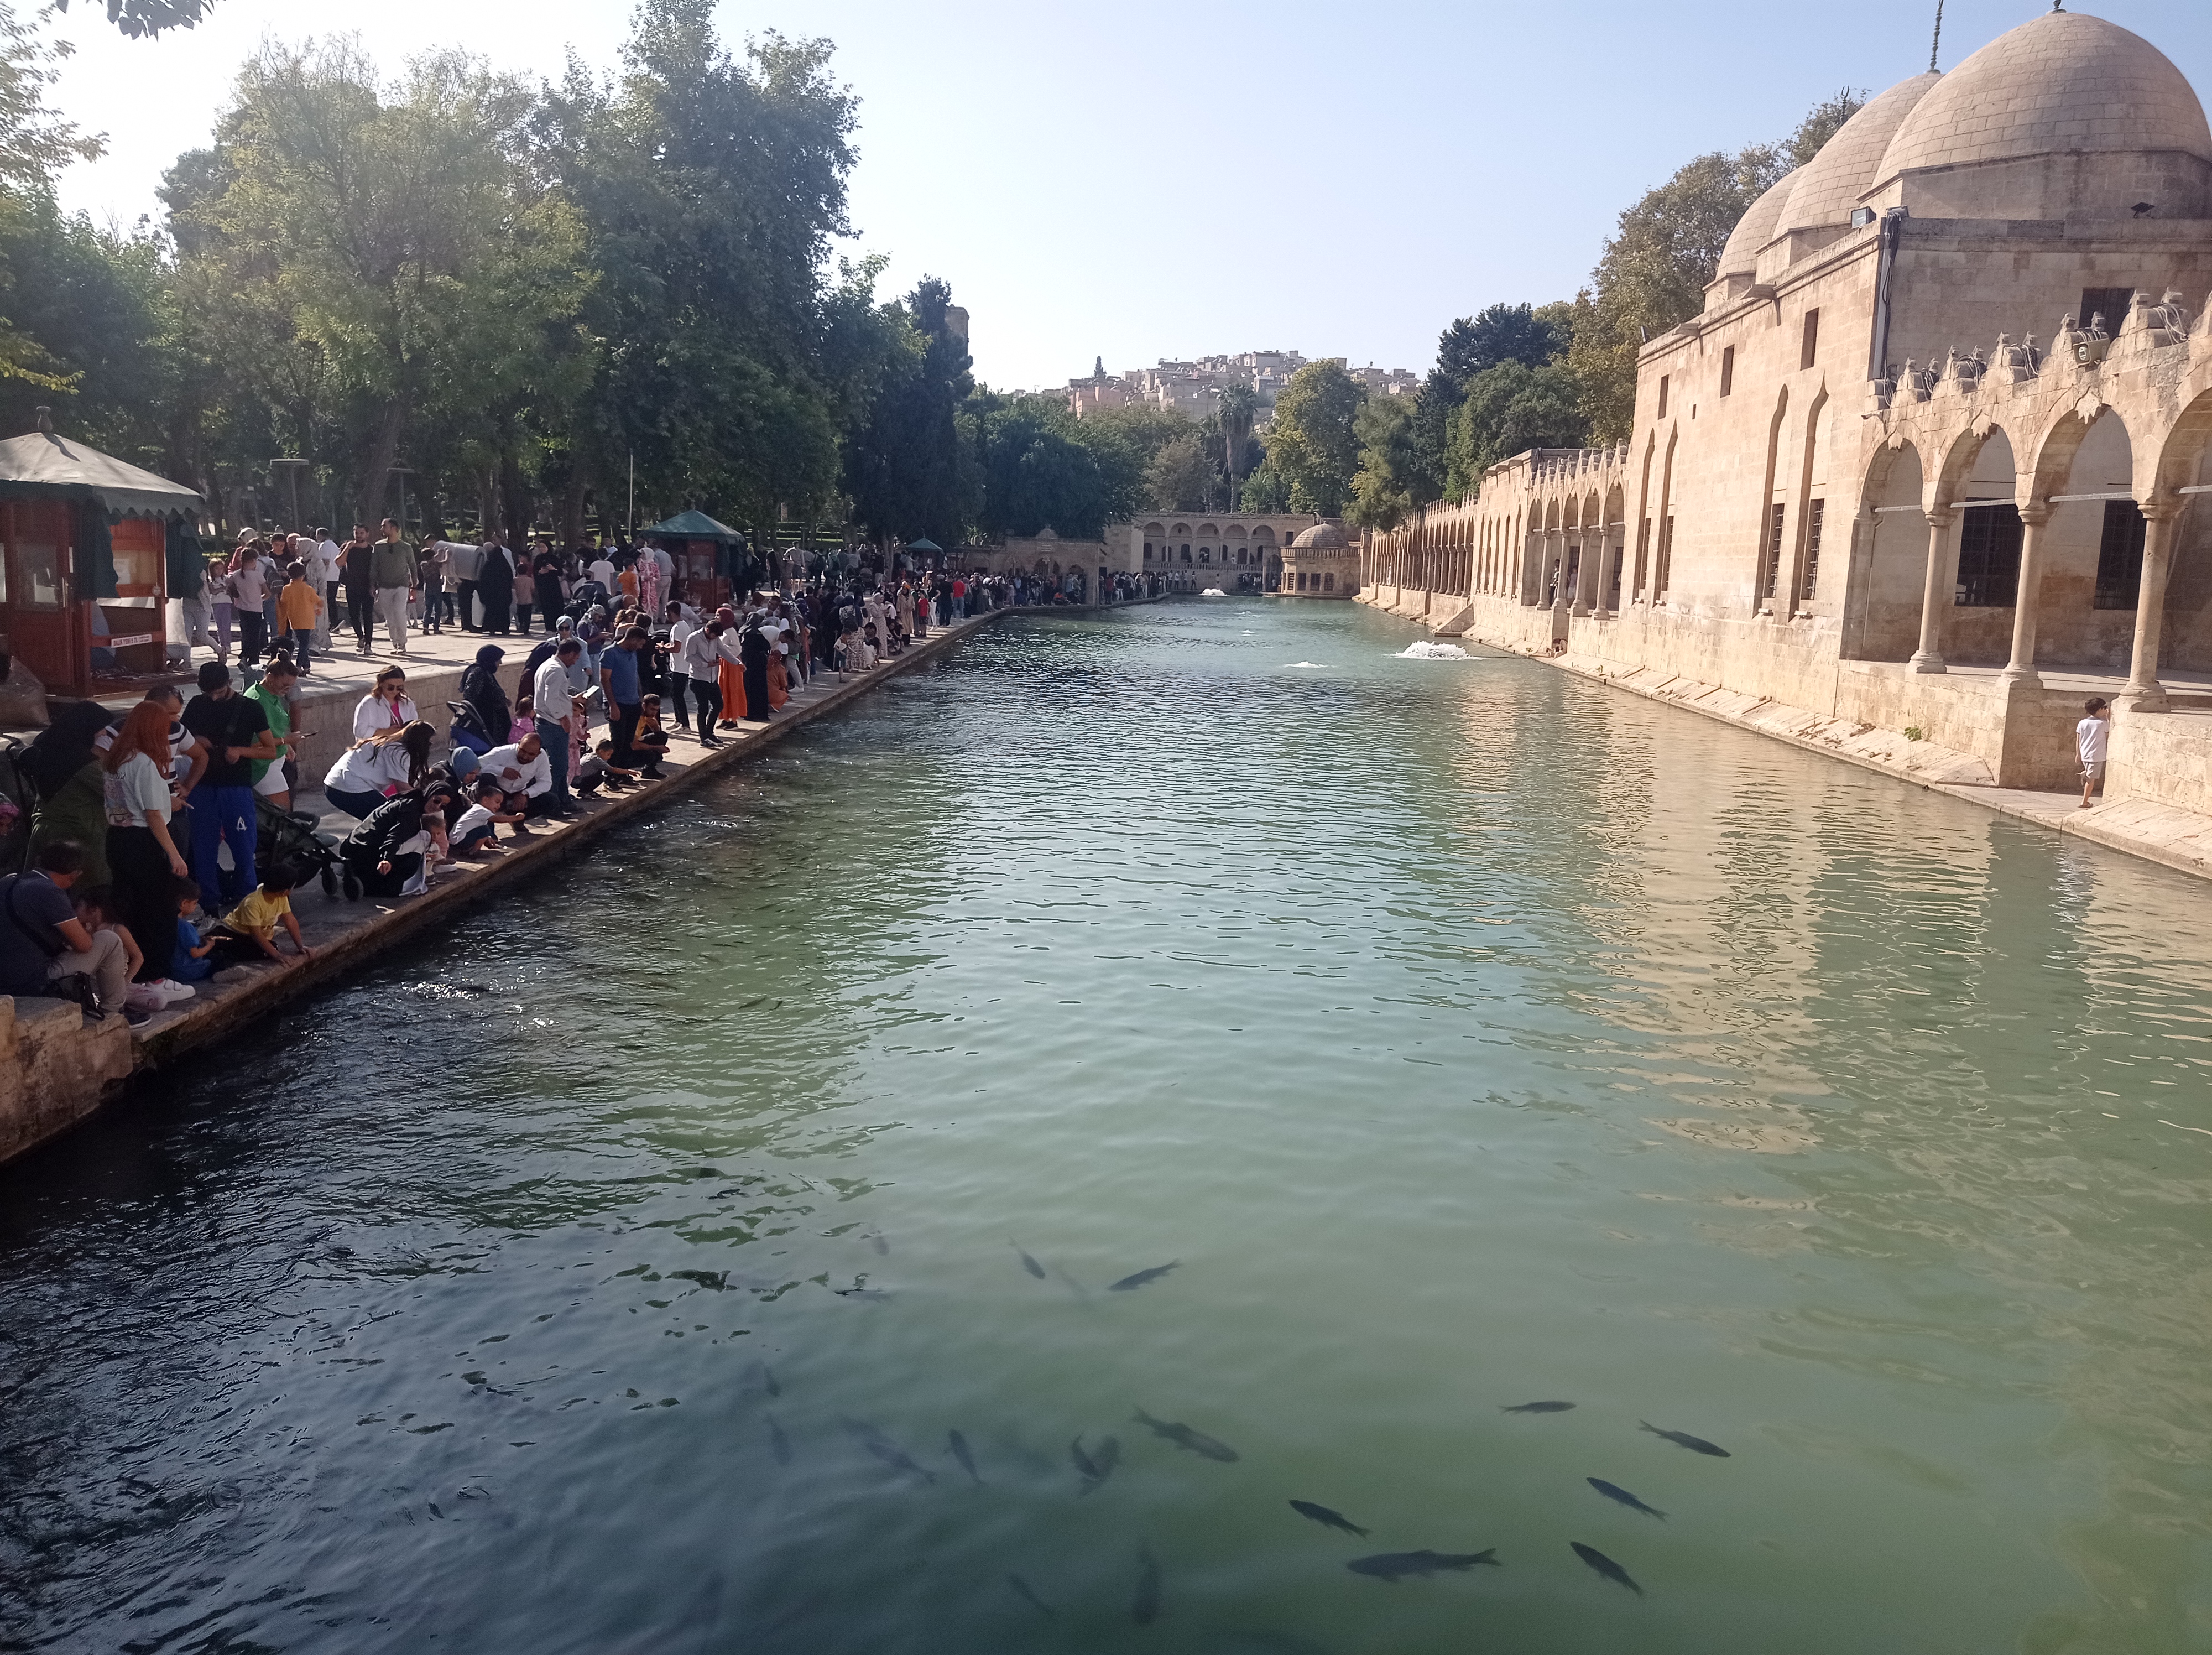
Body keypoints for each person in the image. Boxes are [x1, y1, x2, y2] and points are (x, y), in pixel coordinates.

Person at [102, 700, 193, 990]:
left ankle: (133, 972)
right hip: (144, 843)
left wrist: (168, 801)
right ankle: (157, 976)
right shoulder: (144, 763)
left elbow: (132, 800)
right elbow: (153, 815)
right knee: (159, 910)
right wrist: (175, 855)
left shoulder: (116, 759)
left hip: (118, 839)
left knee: (129, 908)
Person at [0, 842, 138, 1023]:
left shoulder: (7, 881)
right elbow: (84, 946)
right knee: (109, 940)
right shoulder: (50, 891)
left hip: (5, 982)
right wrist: (87, 930)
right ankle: (113, 1013)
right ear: (75, 875)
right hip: (32, 983)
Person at [180, 662, 271, 912]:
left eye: (218, 691)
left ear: (230, 683)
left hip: (236, 786)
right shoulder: (198, 704)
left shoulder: (250, 708)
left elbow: (270, 749)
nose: (213, 696)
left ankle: (248, 904)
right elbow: (179, 737)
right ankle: (210, 905)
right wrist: (194, 741)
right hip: (203, 785)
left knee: (243, 849)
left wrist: (240, 751)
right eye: (208, 691)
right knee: (203, 849)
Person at [24, 700, 119, 886]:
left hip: (45, 830)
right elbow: (116, 793)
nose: (103, 733)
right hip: (75, 836)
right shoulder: (81, 761)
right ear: (86, 728)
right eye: (99, 729)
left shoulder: (48, 743)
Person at [340, 780, 455, 899]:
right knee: (424, 838)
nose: (437, 807)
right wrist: (387, 859)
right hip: (363, 850)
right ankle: (399, 885)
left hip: (355, 846)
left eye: (442, 806)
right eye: (436, 801)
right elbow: (396, 835)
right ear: (430, 794)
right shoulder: (411, 811)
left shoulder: (412, 800)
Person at [205, 865, 315, 966]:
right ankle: (218, 958)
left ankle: (224, 956)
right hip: (233, 931)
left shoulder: (281, 897)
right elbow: (256, 934)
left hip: (250, 937)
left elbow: (290, 921)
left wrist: (301, 946)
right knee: (212, 943)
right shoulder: (253, 903)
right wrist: (278, 955)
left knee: (269, 950)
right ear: (284, 891)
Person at [322, 722, 430, 818]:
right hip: (347, 787)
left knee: (383, 819)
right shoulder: (398, 752)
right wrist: (427, 798)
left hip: (336, 784)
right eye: (429, 742)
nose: (430, 745)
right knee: (388, 818)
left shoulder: (387, 742)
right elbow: (403, 789)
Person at [533, 638, 586, 815]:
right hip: (553, 724)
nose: (575, 662)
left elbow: (554, 696)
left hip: (548, 721)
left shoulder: (547, 665)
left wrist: (572, 700)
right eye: (576, 658)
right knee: (557, 766)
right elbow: (551, 699)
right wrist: (563, 718)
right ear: (571, 654)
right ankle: (551, 805)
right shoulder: (556, 671)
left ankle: (563, 799)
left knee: (561, 765)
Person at [246, 657, 305, 812]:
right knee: (283, 815)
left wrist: (288, 746)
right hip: (264, 767)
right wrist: (285, 740)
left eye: (291, 686)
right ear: (270, 677)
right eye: (285, 685)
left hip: (275, 762)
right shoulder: (257, 700)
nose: (288, 690)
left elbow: (277, 727)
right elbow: (254, 742)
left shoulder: (272, 694)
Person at [477, 733, 555, 817]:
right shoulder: (502, 752)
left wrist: (526, 793)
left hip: (519, 793)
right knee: (486, 778)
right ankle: (487, 815)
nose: (525, 757)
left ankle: (517, 818)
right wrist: (501, 771)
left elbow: (546, 782)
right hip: (497, 790)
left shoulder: (542, 757)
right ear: (518, 744)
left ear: (538, 754)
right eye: (523, 751)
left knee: (551, 800)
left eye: (531, 754)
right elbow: (476, 767)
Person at [602, 624, 648, 767]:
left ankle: (623, 772)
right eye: (640, 643)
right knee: (618, 740)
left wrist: (640, 699)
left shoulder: (632, 653)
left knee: (628, 740)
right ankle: (610, 775)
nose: (640, 647)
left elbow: (635, 676)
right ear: (633, 640)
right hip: (618, 704)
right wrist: (613, 705)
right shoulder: (610, 653)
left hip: (633, 703)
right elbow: (605, 680)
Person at [371, 519, 418, 657]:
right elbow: (374, 567)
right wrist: (372, 585)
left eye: (384, 526)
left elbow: (413, 566)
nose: (382, 528)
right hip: (384, 586)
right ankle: (395, 642)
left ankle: (402, 643)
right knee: (390, 618)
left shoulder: (406, 547)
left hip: (402, 585)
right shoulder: (378, 547)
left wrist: (414, 586)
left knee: (399, 613)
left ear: (394, 528)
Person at [681, 620, 725, 744]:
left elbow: (723, 651)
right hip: (698, 679)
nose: (715, 638)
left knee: (718, 705)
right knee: (703, 709)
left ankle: (709, 732)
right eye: (714, 635)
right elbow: (688, 657)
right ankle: (703, 738)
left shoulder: (715, 639)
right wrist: (706, 664)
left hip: (712, 678)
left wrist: (737, 663)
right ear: (707, 630)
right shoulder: (694, 638)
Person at [460, 644, 510, 750]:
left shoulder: (485, 671)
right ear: (490, 659)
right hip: (487, 727)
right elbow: (470, 698)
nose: (500, 663)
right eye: (498, 660)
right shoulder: (478, 673)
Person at [169, 877, 218, 984]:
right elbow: (195, 954)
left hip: (173, 971)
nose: (196, 907)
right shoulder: (185, 926)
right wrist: (210, 945)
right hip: (192, 971)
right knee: (219, 960)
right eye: (195, 903)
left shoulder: (169, 923)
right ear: (184, 904)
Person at [275, 561, 322, 673]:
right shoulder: (308, 589)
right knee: (304, 645)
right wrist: (318, 609)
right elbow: (319, 602)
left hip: (294, 620)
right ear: (304, 575)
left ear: (289, 575)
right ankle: (299, 666)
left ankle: (307, 666)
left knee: (302, 642)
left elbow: (283, 605)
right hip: (308, 620)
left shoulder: (286, 589)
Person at [229, 544, 270, 664]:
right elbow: (267, 593)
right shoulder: (258, 575)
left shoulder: (236, 575)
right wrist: (260, 599)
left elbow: (230, 590)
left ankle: (244, 657)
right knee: (255, 636)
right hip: (256, 609)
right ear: (254, 560)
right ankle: (254, 661)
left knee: (245, 635)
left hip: (242, 608)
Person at [353, 668, 418, 740]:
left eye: (399, 688)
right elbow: (360, 732)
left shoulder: (407, 703)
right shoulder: (369, 703)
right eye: (390, 688)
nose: (395, 691)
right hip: (375, 748)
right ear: (381, 684)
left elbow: (415, 728)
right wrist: (389, 732)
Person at [476, 530, 516, 636]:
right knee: (503, 611)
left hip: (491, 595)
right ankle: (504, 629)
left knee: (491, 611)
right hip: (503, 594)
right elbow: (509, 576)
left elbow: (483, 579)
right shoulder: (504, 565)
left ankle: (491, 628)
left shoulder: (488, 565)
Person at [2079, 696, 2110, 808]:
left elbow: (2079, 738)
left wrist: (2078, 754)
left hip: (2085, 754)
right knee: (2091, 780)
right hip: (2096, 756)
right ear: (2099, 710)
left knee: (2090, 776)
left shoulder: (2082, 723)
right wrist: (2108, 718)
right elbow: (2109, 734)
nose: (2106, 710)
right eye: (2104, 708)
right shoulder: (2103, 724)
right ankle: (2084, 802)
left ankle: (2085, 774)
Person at [631, 694, 670, 779]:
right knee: (650, 755)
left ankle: (649, 770)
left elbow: (658, 737)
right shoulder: (637, 718)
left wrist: (656, 728)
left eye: (656, 710)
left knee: (662, 736)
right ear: (644, 706)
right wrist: (657, 748)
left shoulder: (648, 716)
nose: (654, 713)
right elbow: (634, 745)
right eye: (652, 709)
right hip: (628, 749)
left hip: (636, 743)